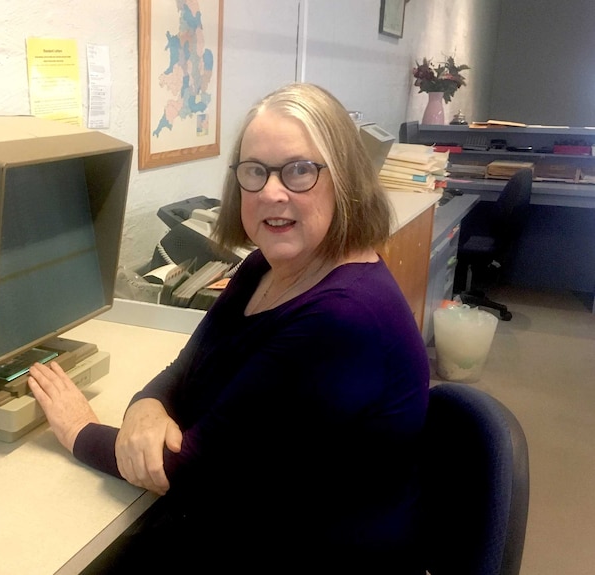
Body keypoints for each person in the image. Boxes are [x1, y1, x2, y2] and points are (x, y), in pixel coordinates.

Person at [28, 83, 429, 573]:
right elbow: (183, 370)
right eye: (254, 172)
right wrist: (146, 410)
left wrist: (77, 429)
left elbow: (190, 471)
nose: (271, 192)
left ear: (345, 180)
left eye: (300, 170)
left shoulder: (344, 318)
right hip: (248, 521)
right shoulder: (263, 266)